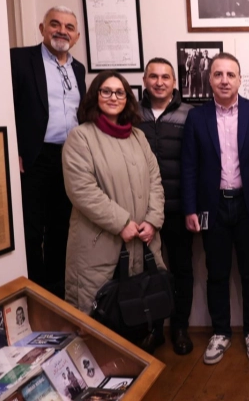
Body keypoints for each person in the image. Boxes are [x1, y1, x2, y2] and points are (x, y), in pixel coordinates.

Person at [62, 71, 166, 338]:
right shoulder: (81, 137)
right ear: (95, 96)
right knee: (97, 322)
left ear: (127, 99)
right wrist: (122, 223)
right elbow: (82, 190)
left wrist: (153, 220)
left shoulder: (138, 137)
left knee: (135, 314)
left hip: (141, 240)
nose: (113, 97)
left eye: (120, 92)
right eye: (106, 91)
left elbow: (155, 180)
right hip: (99, 245)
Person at [181, 53, 249, 365]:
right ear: (210, 79)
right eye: (218, 74)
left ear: (240, 79)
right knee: (216, 273)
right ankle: (220, 332)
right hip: (212, 206)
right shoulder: (197, 117)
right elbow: (189, 165)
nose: (224, 80)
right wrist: (190, 208)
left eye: (231, 74)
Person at [10, 5, 86, 298]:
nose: (62, 31)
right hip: (33, 158)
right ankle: (34, 295)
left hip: (69, 159)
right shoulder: (19, 60)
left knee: (61, 229)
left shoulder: (78, 69)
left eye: (69, 27)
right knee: (31, 231)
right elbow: (5, 109)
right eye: (55, 24)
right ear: (42, 29)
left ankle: (55, 297)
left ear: (76, 36)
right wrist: (12, 150)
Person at [138, 58, 194, 355]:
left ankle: (180, 328)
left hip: (177, 206)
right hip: (142, 211)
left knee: (182, 269)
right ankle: (154, 329)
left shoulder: (189, 114)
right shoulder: (131, 113)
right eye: (154, 76)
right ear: (145, 80)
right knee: (149, 272)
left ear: (174, 82)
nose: (159, 82)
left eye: (165, 77)